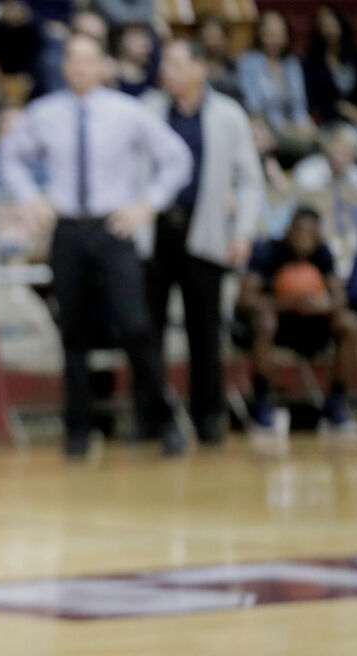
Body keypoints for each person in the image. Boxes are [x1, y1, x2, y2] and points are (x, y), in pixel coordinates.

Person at [0, 34, 193, 457]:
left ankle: (164, 418)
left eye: (89, 60)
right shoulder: (45, 113)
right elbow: (11, 154)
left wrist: (149, 205)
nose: (81, 68)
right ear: (65, 66)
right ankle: (78, 432)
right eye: (73, 60)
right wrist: (30, 199)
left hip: (114, 229)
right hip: (67, 230)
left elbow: (176, 157)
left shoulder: (127, 112)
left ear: (104, 65)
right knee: (73, 333)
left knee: (136, 326)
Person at [141, 39, 264, 445]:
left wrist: (242, 232)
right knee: (148, 330)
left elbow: (250, 179)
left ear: (200, 68)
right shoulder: (148, 108)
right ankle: (153, 419)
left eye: (176, 63)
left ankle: (209, 418)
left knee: (205, 331)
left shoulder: (228, 115)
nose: (168, 70)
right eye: (165, 63)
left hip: (206, 231)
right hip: (156, 231)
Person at [236, 206, 357, 430]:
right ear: (288, 230)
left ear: (318, 236)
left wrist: (323, 306)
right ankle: (262, 402)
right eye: (300, 231)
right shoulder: (267, 251)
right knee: (264, 321)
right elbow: (244, 300)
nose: (304, 239)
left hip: (312, 326)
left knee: (349, 324)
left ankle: (335, 404)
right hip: (278, 327)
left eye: (311, 234)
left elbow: (340, 298)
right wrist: (289, 302)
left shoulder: (322, 253)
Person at [237, 9, 315, 147]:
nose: (274, 39)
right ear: (260, 34)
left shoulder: (291, 63)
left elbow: (299, 105)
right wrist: (286, 126)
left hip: (293, 127)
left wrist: (303, 124)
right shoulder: (248, 63)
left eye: (279, 34)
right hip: (264, 127)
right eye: (269, 33)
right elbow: (254, 106)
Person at [303, 4, 357, 127]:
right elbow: (313, 101)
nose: (329, 29)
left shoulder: (355, 58)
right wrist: (339, 107)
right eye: (324, 25)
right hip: (331, 122)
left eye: (332, 24)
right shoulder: (312, 61)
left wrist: (354, 112)